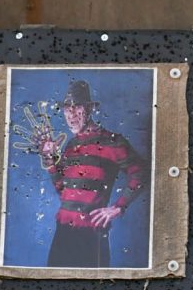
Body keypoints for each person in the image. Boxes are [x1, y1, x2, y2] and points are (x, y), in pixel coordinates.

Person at [30, 80, 148, 268]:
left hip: (91, 236)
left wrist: (118, 207)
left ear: (90, 109)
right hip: (62, 235)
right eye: (67, 108)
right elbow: (64, 192)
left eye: (77, 107)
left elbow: (142, 173)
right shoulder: (70, 146)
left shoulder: (112, 142)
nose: (71, 115)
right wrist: (50, 161)